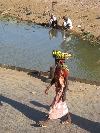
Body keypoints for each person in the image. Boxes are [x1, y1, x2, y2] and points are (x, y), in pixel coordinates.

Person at [38, 52, 72, 127]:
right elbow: (54, 79)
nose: (55, 62)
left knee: (54, 104)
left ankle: (45, 122)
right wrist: (48, 87)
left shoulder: (64, 71)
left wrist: (64, 94)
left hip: (62, 90)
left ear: (59, 61)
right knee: (62, 104)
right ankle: (69, 118)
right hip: (57, 89)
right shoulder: (57, 69)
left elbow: (67, 83)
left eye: (56, 60)